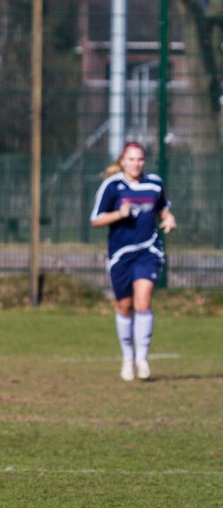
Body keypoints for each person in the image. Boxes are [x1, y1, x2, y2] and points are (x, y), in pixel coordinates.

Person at [90, 141, 176, 381]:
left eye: (140, 159)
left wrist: (168, 219)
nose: (136, 164)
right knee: (125, 307)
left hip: (149, 250)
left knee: (143, 301)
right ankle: (128, 358)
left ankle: (142, 358)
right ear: (122, 161)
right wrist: (119, 214)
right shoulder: (112, 186)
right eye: (131, 159)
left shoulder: (155, 183)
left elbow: (164, 209)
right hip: (120, 255)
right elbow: (95, 220)